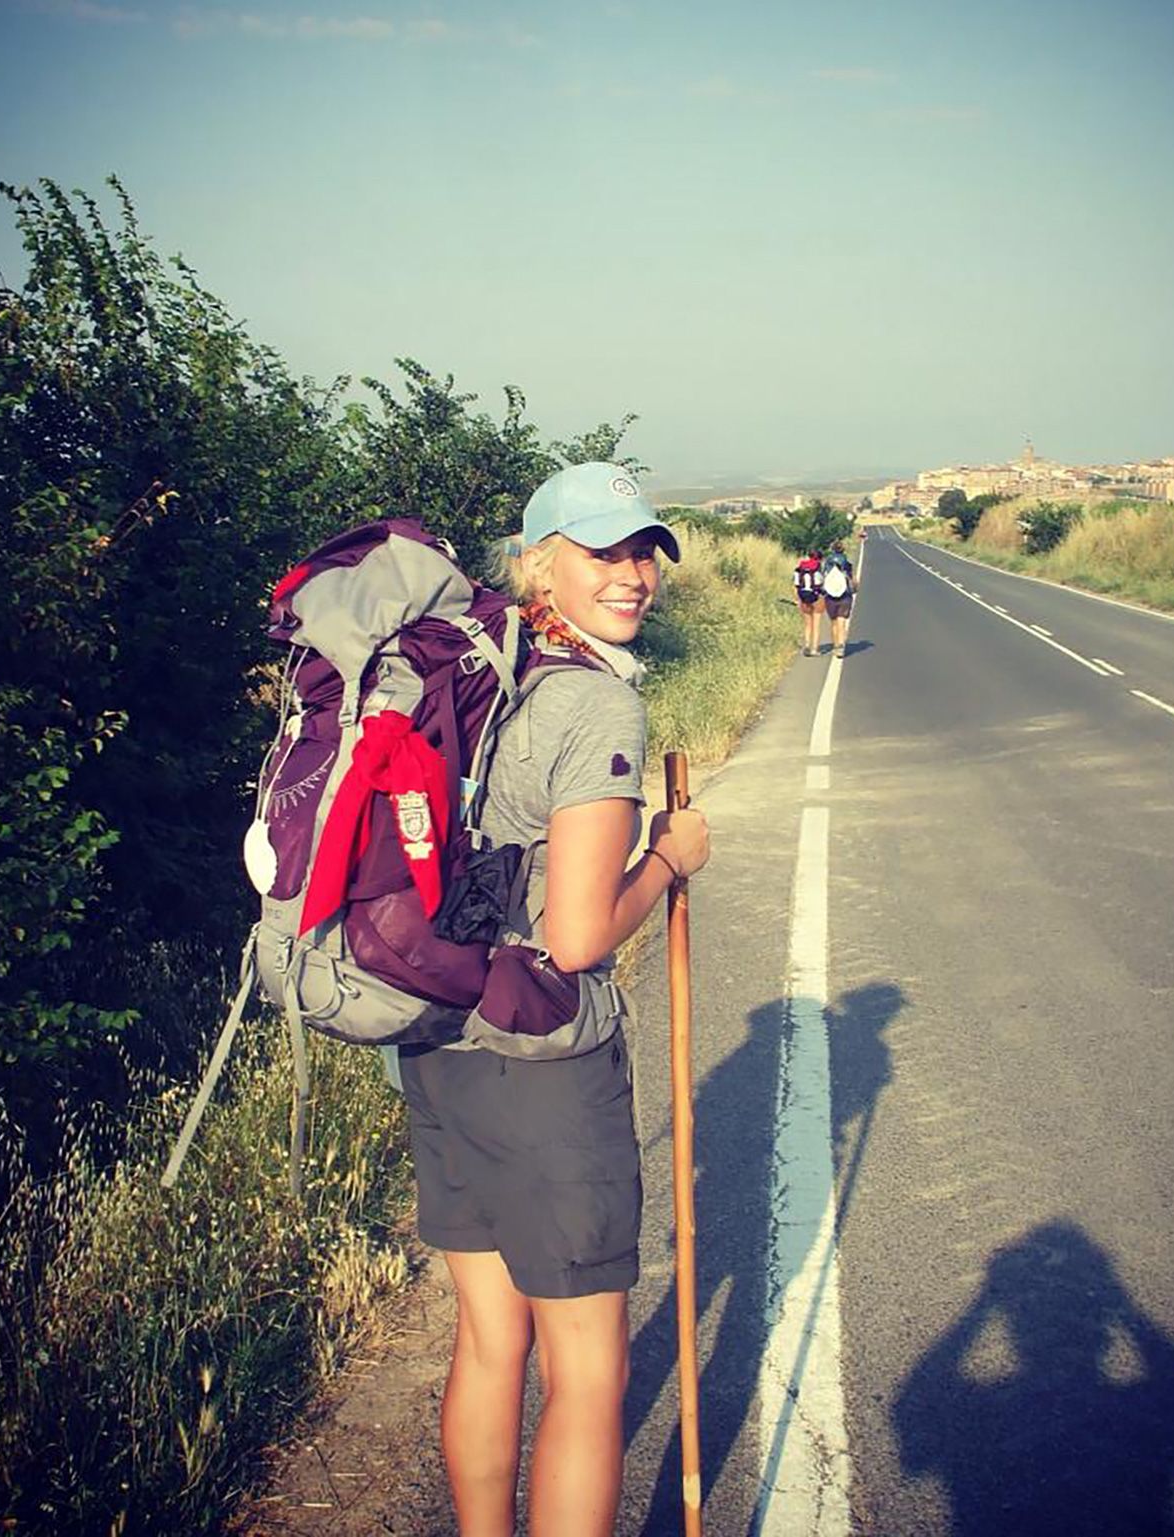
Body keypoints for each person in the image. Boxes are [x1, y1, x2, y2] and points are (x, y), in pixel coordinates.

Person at [397, 461, 711, 1537]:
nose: (630, 575)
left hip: (435, 1041)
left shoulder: (475, 674)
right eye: (601, 551)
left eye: (641, 552)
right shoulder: (592, 698)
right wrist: (670, 859)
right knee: (587, 1374)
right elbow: (577, 934)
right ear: (539, 562)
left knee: (490, 1337)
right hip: (541, 1062)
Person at [820, 539, 858, 658]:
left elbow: (823, 577)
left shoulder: (827, 562)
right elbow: (853, 580)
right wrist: (854, 588)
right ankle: (841, 646)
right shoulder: (847, 562)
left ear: (832, 549)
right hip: (844, 596)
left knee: (834, 622)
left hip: (830, 596)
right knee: (841, 621)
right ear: (843, 549)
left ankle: (836, 645)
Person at [793, 549, 823, 655]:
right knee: (816, 624)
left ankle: (806, 645)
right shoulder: (818, 567)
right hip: (816, 597)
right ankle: (814, 649)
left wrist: (797, 599)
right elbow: (820, 583)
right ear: (819, 558)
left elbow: (796, 585)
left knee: (807, 624)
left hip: (803, 596)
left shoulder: (800, 567)